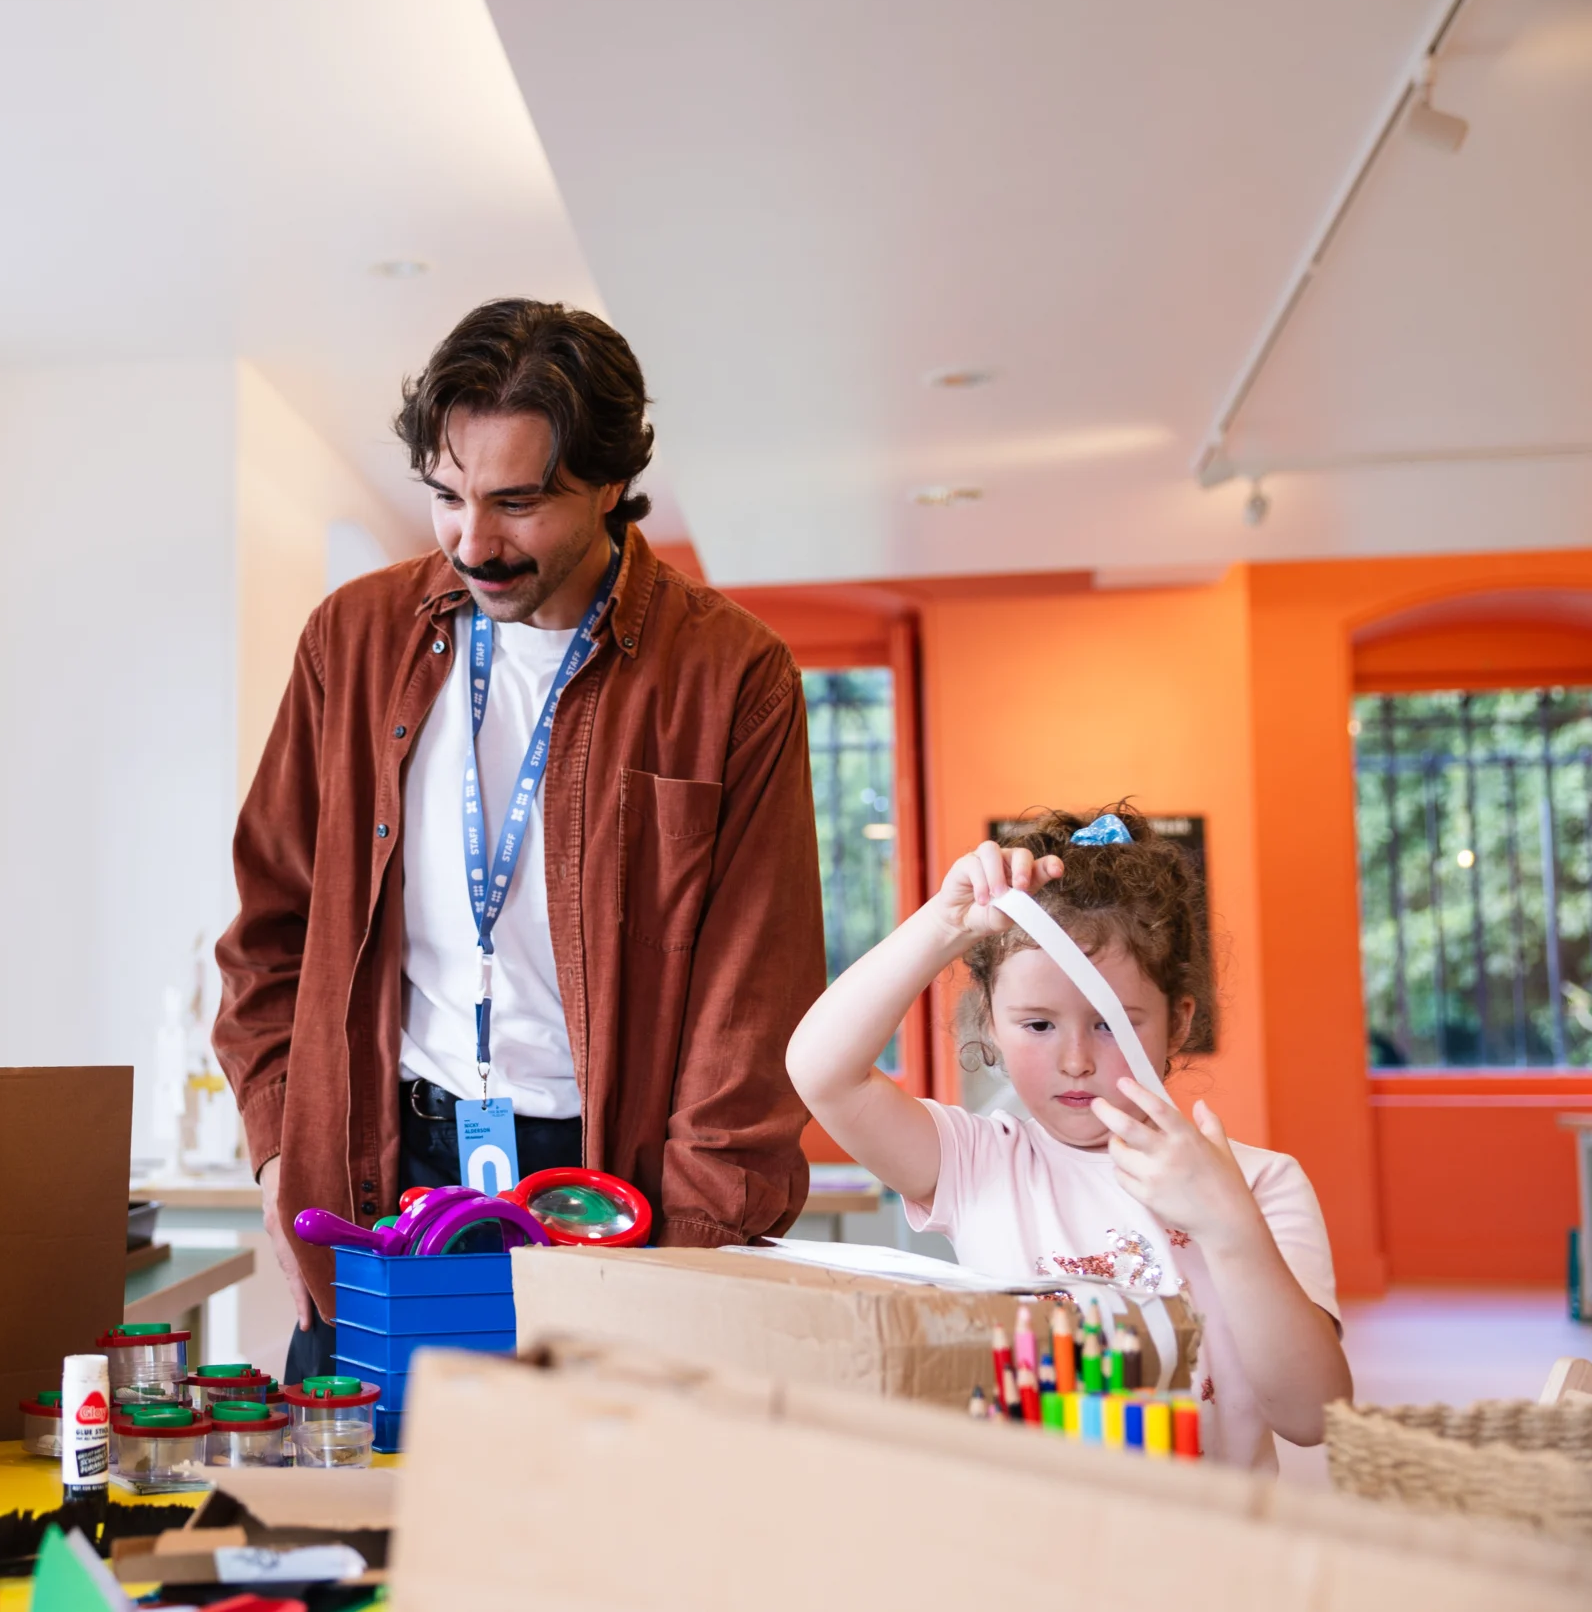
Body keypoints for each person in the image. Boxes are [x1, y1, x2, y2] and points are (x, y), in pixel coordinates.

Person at [214, 298, 827, 1381]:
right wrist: (278, 1148)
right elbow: (270, 924)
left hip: (610, 1178)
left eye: (517, 502)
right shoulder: (351, 641)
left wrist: (686, 1254)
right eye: (447, 498)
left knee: (578, 1527)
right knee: (367, 1519)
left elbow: (752, 998)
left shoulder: (729, 674)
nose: (472, 543)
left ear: (605, 484)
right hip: (379, 1166)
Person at [787, 804, 1351, 1469]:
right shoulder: (978, 1162)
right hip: (1027, 1544)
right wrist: (944, 924)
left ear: (1177, 1024)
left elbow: (1313, 1417)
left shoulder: (1260, 1183)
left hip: (1207, 1555)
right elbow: (819, 1071)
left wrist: (1228, 1226)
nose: (1076, 1059)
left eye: (1113, 1022)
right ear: (990, 1024)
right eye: (1037, 1024)